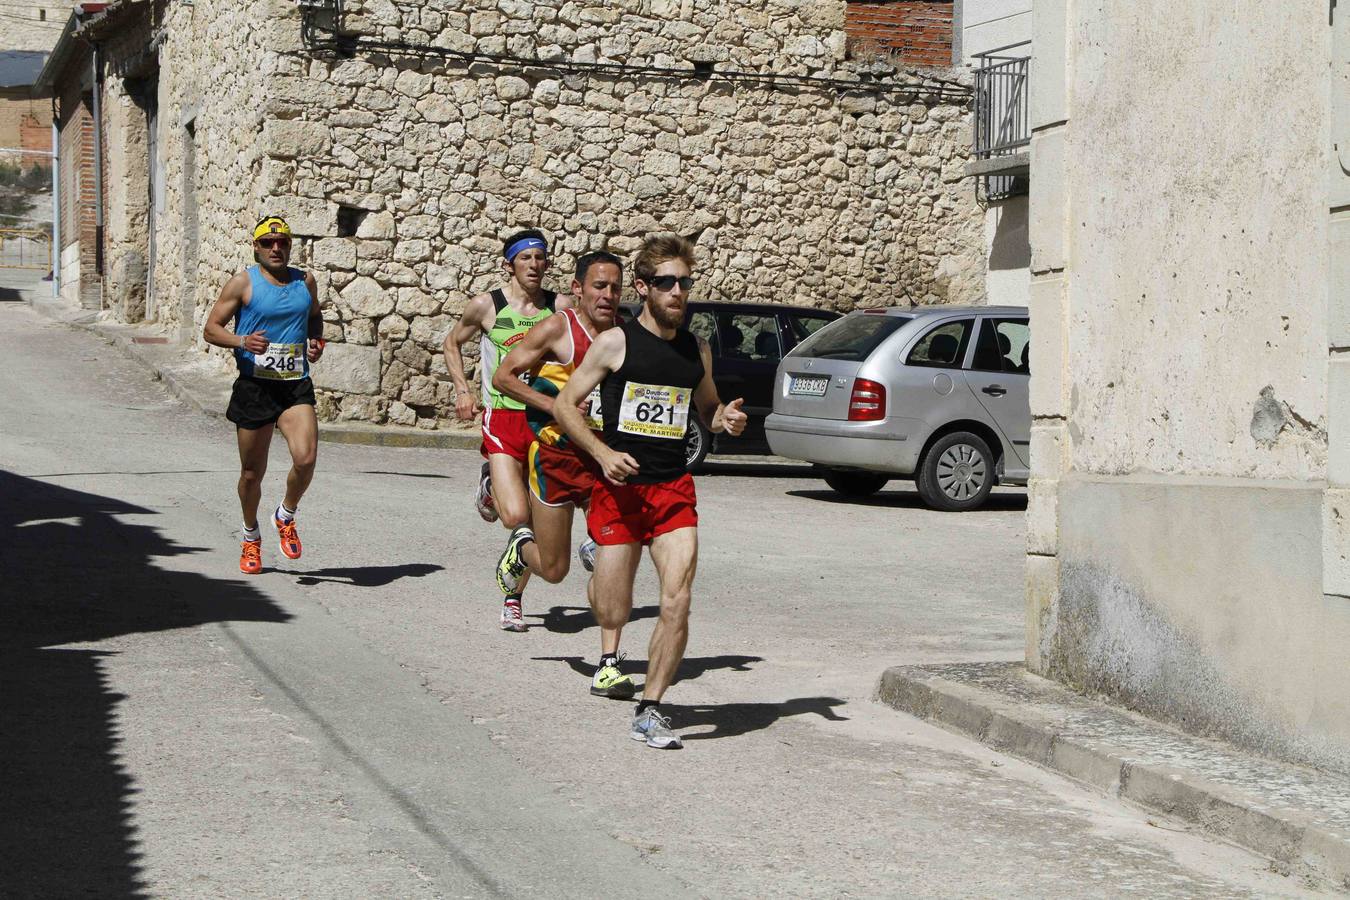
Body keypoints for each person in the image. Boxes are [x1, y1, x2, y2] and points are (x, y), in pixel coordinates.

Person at [512, 234, 747, 748]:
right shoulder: (615, 343)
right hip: (618, 490)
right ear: (643, 288)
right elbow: (568, 406)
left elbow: (705, 409)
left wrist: (722, 417)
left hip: (671, 490)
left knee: (677, 598)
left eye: (685, 282)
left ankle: (651, 706)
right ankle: (596, 570)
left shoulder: (696, 349)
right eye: (666, 283)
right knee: (613, 611)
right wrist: (601, 455)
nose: (678, 292)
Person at [492, 251, 626, 690]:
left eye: (614, 287)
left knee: (614, 554)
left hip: (605, 460)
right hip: (556, 457)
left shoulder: (627, 335)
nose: (607, 295)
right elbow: (506, 378)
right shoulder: (558, 328)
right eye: (599, 287)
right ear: (578, 288)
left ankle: (609, 661)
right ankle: (521, 550)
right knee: (554, 569)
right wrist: (559, 406)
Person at [442, 229, 570, 631]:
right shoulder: (486, 306)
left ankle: (513, 597)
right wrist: (463, 390)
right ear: (509, 264)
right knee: (515, 514)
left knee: (529, 522)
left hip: (544, 420)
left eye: (541, 259)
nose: (535, 266)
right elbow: (451, 343)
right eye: (526, 258)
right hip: (502, 417)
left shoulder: (560, 307)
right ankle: (491, 485)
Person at [203, 216, 324, 575]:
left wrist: (316, 340)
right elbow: (211, 329)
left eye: (282, 242)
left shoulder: (305, 281)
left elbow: (314, 317)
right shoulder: (244, 282)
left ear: (290, 246)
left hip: (293, 383)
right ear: (255, 246)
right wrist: (242, 341)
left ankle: (285, 514)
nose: (276, 248)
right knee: (252, 474)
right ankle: (250, 536)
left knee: (306, 459)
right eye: (268, 242)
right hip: (255, 386)